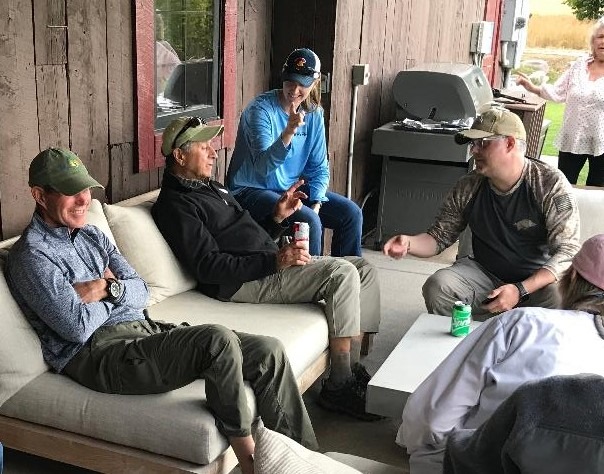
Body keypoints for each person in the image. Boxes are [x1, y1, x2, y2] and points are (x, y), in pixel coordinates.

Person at [5, 148, 317, 474]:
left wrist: (105, 289)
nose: (83, 199)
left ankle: (307, 462)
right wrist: (117, 291)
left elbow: (141, 292)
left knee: (269, 351)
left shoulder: (92, 236)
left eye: (84, 188)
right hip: (101, 354)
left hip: (143, 330)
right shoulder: (32, 256)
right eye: (70, 191)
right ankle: (253, 466)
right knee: (216, 341)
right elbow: (77, 327)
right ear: (39, 196)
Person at [151, 116, 382, 421]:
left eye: (211, 146)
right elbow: (208, 266)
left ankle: (351, 367)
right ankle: (339, 386)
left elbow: (244, 237)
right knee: (342, 273)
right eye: (203, 147)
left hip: (264, 264)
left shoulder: (210, 187)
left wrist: (276, 218)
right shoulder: (176, 205)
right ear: (180, 156)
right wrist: (274, 262)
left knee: (363, 268)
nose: (213, 153)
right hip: (243, 282)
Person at [399, 233, 604, 474]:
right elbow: (441, 233)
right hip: (484, 272)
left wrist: (418, 445)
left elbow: (430, 417)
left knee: (424, 443)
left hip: (481, 463)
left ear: (571, 276)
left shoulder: (524, 324)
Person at [383, 106, 581, 319]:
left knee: (559, 296)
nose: (473, 151)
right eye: (472, 144)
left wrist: (520, 290)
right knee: (438, 287)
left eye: (483, 143)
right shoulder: (468, 186)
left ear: (510, 143)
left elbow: (567, 251)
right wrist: (409, 243)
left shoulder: (549, 184)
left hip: (534, 281)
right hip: (483, 273)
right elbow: (439, 237)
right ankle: (467, 337)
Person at [226, 47, 363, 257]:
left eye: (302, 84)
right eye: (290, 81)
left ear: (315, 83)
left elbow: (318, 167)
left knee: (351, 214)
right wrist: (289, 131)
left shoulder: (313, 113)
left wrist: (317, 202)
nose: (294, 89)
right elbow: (263, 168)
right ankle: (313, 277)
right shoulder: (260, 111)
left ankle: (346, 274)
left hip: (288, 188)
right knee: (309, 221)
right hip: (250, 190)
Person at [515, 17, 604, 186]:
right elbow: (558, 92)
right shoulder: (579, 66)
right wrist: (532, 87)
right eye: (600, 37)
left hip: (602, 144)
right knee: (562, 187)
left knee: (598, 191)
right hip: (572, 138)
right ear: (593, 41)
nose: (603, 42)